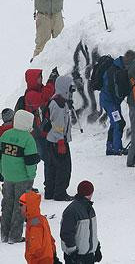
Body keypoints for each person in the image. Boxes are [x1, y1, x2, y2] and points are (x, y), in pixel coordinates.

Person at [0, 110, 40, 244]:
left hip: (7, 175)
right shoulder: (28, 139)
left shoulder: (5, 135)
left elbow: (1, 157)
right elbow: (30, 162)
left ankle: (3, 234)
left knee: (7, 204)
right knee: (20, 206)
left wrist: (2, 171)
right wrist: (31, 176)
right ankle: (14, 236)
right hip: (22, 177)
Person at [45, 75, 76, 201]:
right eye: (70, 88)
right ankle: (60, 193)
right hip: (58, 141)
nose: (72, 91)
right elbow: (58, 125)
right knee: (64, 167)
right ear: (65, 87)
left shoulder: (56, 100)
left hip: (52, 140)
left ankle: (50, 192)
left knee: (52, 167)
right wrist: (61, 141)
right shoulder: (59, 104)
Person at [99, 52, 135, 156]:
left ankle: (110, 146)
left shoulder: (118, 67)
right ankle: (116, 148)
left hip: (111, 101)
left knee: (117, 122)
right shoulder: (114, 70)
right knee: (118, 123)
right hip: (109, 101)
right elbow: (112, 89)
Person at [60, 181, 102, 263]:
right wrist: (73, 253)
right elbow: (66, 233)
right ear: (91, 193)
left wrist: (96, 248)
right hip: (76, 257)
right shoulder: (72, 211)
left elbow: (91, 232)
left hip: (88, 255)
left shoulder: (89, 208)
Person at [19, 189, 61, 264]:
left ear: (29, 205)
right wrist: (54, 256)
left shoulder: (35, 224)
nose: (19, 208)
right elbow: (51, 240)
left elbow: (35, 249)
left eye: (21, 205)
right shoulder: (41, 219)